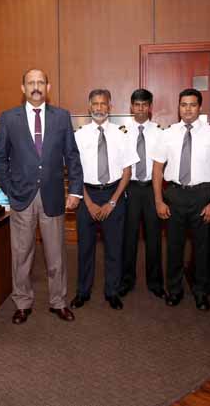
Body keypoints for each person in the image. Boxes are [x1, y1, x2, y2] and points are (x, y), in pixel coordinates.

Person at [0, 68, 83, 324]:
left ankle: (58, 302)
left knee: (56, 254)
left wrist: (75, 190)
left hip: (53, 195)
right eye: (31, 83)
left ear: (48, 86)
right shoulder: (9, 118)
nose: (36, 87)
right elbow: (0, 159)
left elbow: (72, 156)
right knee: (21, 253)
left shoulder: (61, 117)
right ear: (22, 88)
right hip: (21, 196)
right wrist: (9, 190)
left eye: (40, 82)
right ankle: (22, 302)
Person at [152, 88, 210, 311]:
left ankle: (201, 292)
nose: (187, 109)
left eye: (192, 105)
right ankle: (174, 290)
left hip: (203, 195)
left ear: (200, 107)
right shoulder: (167, 134)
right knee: (174, 246)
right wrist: (158, 200)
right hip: (174, 194)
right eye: (183, 104)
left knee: (202, 248)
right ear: (179, 107)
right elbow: (157, 169)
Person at [70, 89, 138, 310]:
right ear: (89, 107)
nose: (99, 108)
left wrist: (112, 202)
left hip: (113, 194)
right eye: (95, 104)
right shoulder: (78, 136)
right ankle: (83, 291)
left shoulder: (122, 134)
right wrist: (87, 202)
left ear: (110, 107)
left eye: (103, 104)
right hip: (86, 194)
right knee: (85, 248)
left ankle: (112, 291)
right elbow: (74, 172)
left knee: (114, 248)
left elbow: (127, 172)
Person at [119, 88, 165, 299]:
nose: (140, 108)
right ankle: (126, 281)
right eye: (136, 105)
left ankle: (155, 282)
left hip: (151, 188)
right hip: (130, 187)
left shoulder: (159, 132)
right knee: (128, 237)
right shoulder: (122, 131)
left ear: (150, 107)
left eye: (144, 105)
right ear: (131, 106)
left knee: (154, 237)